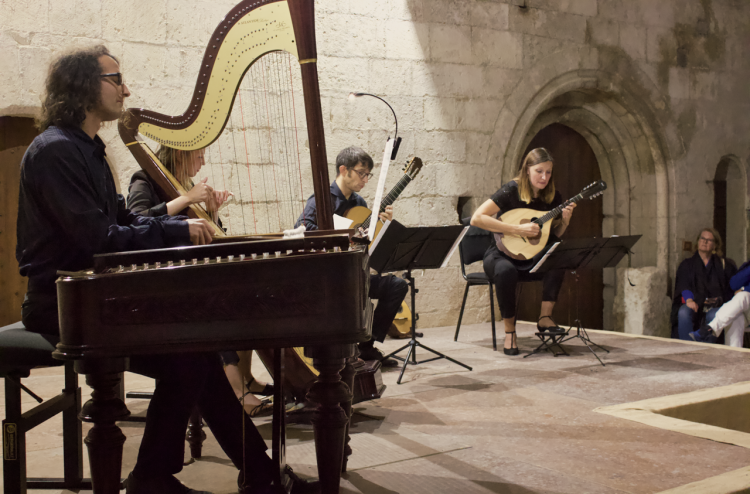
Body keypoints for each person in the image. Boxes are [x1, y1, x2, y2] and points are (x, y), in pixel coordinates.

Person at [16, 45, 316, 494]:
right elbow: (99, 241)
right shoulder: (55, 152)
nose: (126, 88)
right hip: (62, 304)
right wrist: (177, 229)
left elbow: (124, 222)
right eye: (116, 78)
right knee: (190, 353)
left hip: (97, 297)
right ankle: (163, 478)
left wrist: (181, 223)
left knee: (196, 351)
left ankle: (254, 475)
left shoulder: (87, 150)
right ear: (82, 85)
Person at [127, 147, 274, 416]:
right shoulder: (143, 179)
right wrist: (185, 199)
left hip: (188, 274)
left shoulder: (186, 185)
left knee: (245, 293)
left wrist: (212, 211)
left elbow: (210, 234)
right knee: (219, 304)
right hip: (159, 278)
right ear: (180, 155)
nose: (203, 161)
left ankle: (245, 378)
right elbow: (136, 223)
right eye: (199, 155)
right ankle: (235, 390)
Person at [295, 146, 408, 367]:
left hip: (354, 273)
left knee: (396, 286)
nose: (366, 180)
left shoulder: (359, 204)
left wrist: (383, 224)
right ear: (343, 170)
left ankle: (366, 346)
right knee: (350, 292)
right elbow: (303, 230)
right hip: (326, 277)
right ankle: (344, 350)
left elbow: (367, 244)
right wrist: (338, 237)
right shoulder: (320, 199)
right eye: (361, 173)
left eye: (368, 175)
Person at [470, 148, 575, 356]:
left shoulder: (552, 197)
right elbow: (477, 218)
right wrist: (517, 229)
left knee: (558, 257)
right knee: (505, 271)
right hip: (500, 254)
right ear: (527, 170)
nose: (544, 177)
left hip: (530, 256)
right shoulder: (511, 190)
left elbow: (550, 235)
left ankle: (545, 318)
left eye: (548, 172)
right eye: (539, 171)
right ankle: (510, 331)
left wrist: (565, 221)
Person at [671, 228, 737, 340]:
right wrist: (689, 300)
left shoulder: (724, 265)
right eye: (702, 238)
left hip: (715, 305)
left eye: (709, 240)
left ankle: (707, 351)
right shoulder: (687, 264)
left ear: (715, 245)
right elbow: (684, 285)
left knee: (714, 315)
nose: (704, 241)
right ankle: (686, 348)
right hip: (694, 302)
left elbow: (730, 287)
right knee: (683, 312)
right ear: (698, 241)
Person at [690, 260, 750, 347]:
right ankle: (732, 357)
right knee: (735, 316)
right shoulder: (747, 265)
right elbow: (734, 284)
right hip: (746, 309)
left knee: (742, 295)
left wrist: (745, 288)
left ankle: (710, 329)